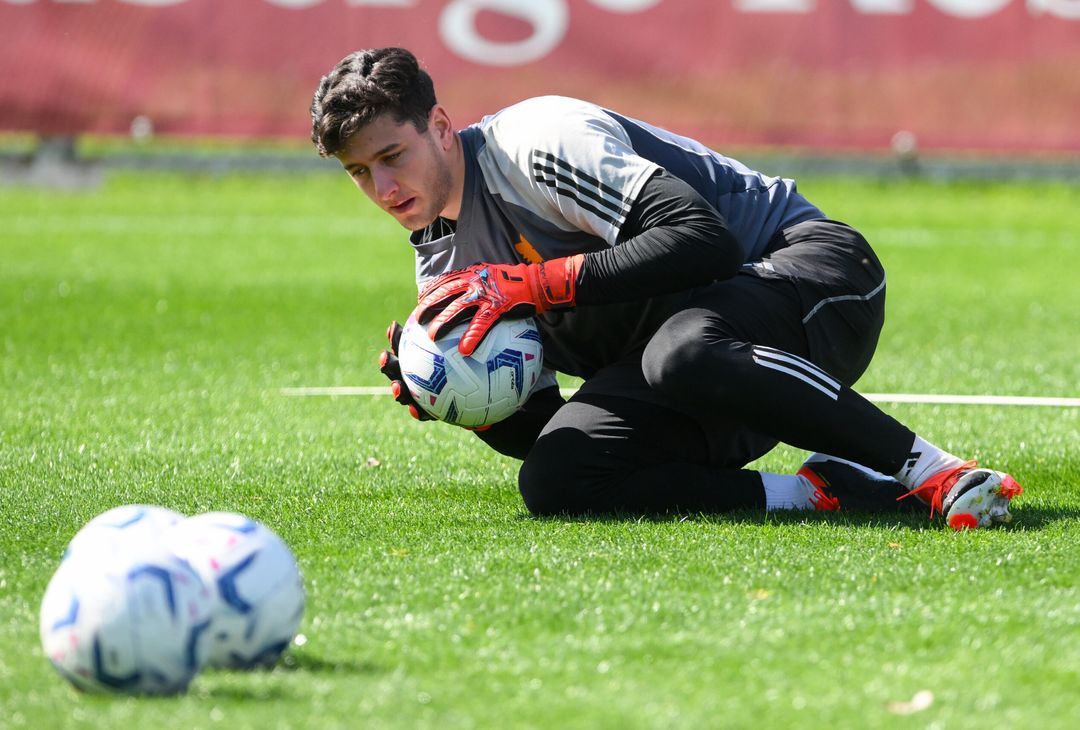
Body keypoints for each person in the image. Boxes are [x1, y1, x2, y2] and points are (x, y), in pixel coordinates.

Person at [309, 47, 1023, 529]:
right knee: (561, 479)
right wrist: (460, 399)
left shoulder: (536, 141)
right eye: (359, 173)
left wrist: (531, 284)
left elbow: (700, 239)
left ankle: (936, 472)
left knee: (682, 351)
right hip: (703, 356)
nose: (383, 187)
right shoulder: (440, 266)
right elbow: (543, 424)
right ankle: (820, 493)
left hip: (813, 273)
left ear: (439, 126)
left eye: (391, 156)